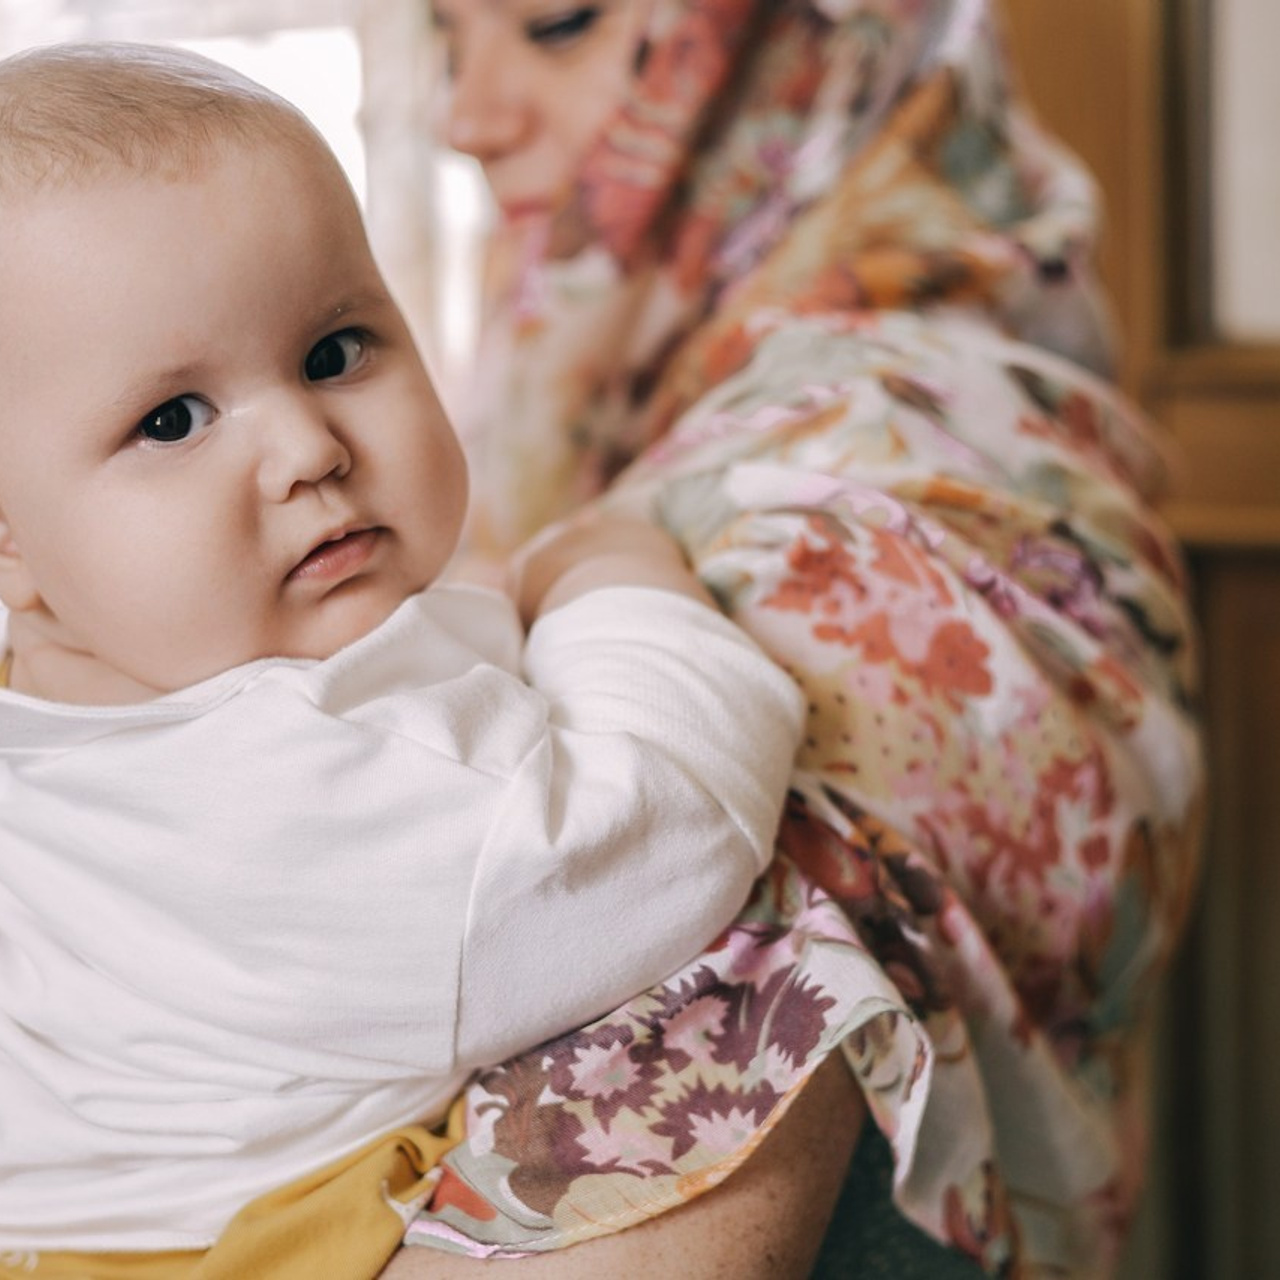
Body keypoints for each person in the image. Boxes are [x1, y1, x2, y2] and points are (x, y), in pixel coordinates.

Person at [387, 1, 1206, 1277]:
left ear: (803, 43)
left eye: (554, 23)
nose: (463, 116)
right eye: (448, 37)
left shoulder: (888, 483)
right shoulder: (614, 413)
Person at [0, 40, 810, 1277]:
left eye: (335, 350)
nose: (308, 448)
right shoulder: (313, 779)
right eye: (171, 419)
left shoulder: (70, 697)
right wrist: (608, 578)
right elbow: (673, 823)